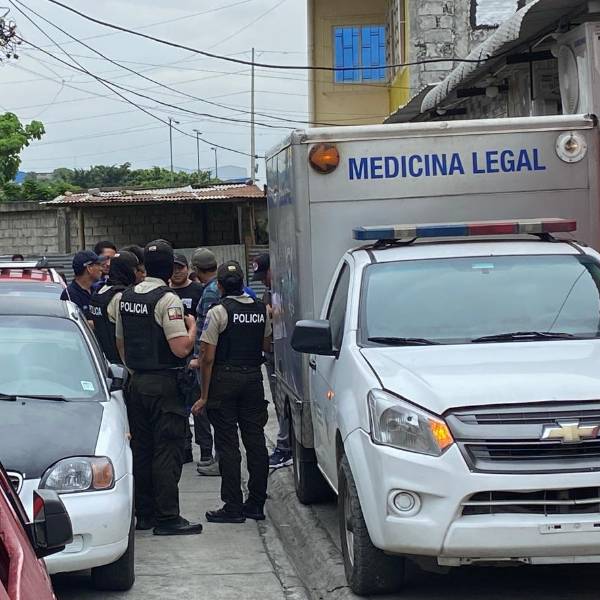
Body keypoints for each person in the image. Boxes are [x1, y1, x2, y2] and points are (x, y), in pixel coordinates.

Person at [115, 240, 202, 536]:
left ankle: (145, 515)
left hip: (136, 383)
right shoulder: (168, 300)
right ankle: (167, 518)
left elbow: (121, 343)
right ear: (168, 269)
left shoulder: (126, 297)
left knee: (142, 449)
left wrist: (135, 370)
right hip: (164, 385)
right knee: (167, 449)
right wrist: (192, 327)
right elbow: (180, 348)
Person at [192, 261, 272, 523]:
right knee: (256, 441)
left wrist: (204, 396)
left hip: (224, 380)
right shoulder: (261, 309)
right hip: (253, 379)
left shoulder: (218, 312)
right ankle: (256, 504)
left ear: (219, 286)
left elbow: (207, 357)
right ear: (243, 284)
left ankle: (233, 506)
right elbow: (266, 344)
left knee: (228, 445)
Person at [253, 253, 292, 469]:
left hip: (285, 353)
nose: (263, 281)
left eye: (264, 276)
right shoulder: (268, 291)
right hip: (271, 353)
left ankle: (285, 447)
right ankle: (285, 445)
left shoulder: (287, 287)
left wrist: (274, 312)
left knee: (284, 401)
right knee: (278, 402)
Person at [170, 254, 205, 464]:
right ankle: (185, 449)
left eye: (180, 267)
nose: (177, 271)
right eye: (173, 267)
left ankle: (206, 450)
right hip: (175, 355)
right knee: (178, 406)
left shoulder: (198, 291)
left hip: (196, 354)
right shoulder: (165, 293)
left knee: (199, 405)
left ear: (188, 268)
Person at [189, 248, 221, 474]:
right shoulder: (217, 287)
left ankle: (220, 460)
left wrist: (200, 359)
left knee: (213, 410)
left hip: (209, 360)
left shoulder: (210, 292)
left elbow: (208, 331)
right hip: (215, 358)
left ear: (196, 269)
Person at [89, 251, 138, 364]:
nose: (136, 273)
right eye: (134, 270)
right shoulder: (120, 296)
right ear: (127, 270)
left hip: (100, 360)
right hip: (118, 362)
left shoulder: (100, 291)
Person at [60, 250, 105, 318]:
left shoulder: (96, 291)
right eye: (98, 264)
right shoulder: (70, 294)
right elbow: (76, 321)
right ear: (89, 268)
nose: (101, 268)